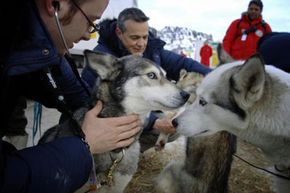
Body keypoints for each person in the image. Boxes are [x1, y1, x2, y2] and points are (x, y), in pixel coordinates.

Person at [0, 0, 141, 192]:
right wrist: (83, 146)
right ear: (55, 5)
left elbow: (77, 95)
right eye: (89, 21)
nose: (87, 35)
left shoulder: (45, 49)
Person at [81, 7, 212, 152]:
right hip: (108, 121)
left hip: (141, 112)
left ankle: (129, 151)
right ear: (119, 32)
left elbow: (183, 63)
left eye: (145, 37)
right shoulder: (104, 58)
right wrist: (153, 122)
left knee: (174, 126)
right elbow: (85, 102)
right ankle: (115, 153)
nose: (142, 44)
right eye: (135, 38)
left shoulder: (152, 49)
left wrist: (216, 76)